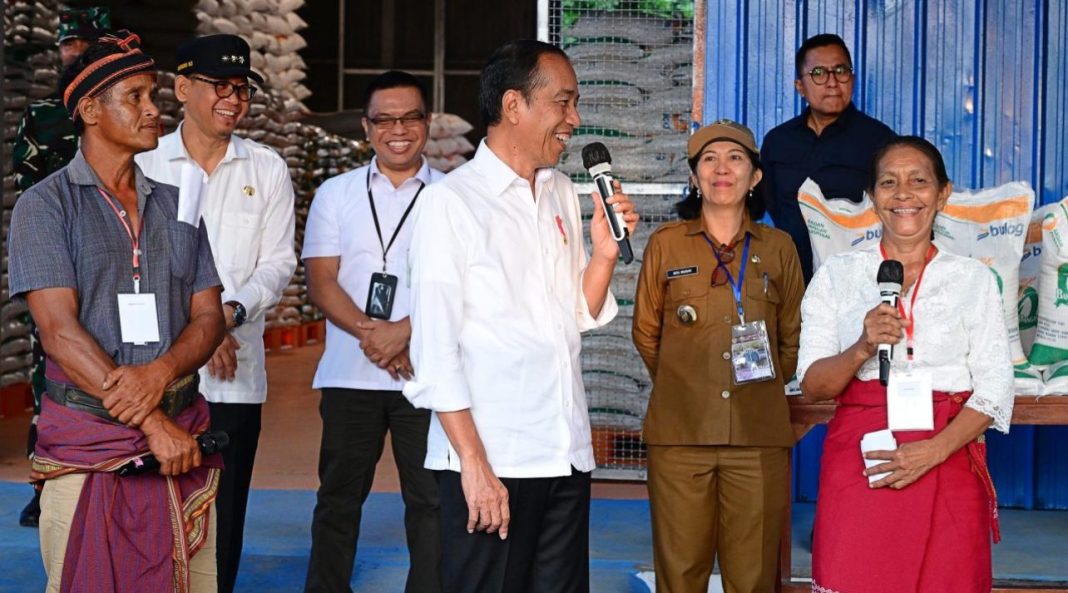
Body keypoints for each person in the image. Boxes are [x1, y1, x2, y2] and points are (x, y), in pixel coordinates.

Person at [403, 40, 638, 593]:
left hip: (562, 451)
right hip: (493, 459)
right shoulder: (451, 203)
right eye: (563, 103)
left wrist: (603, 254)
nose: (574, 120)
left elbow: (576, 312)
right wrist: (474, 466)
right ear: (514, 106)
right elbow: (434, 351)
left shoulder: (560, 190)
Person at [7, 31, 226, 592]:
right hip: (90, 443)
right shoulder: (45, 205)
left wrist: (157, 377)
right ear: (88, 110)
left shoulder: (180, 206)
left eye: (153, 95)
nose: (154, 110)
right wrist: (151, 422)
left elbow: (209, 318)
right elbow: (58, 331)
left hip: (182, 436)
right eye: (135, 96)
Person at [796, 136, 1013, 593]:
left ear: (942, 193)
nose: (904, 194)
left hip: (947, 458)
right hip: (864, 461)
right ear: (873, 198)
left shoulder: (971, 279)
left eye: (919, 181)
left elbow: (995, 387)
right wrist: (861, 346)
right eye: (889, 183)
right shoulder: (838, 274)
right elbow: (813, 384)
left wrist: (934, 450)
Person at [135, 33, 297, 593]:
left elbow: (278, 262)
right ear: (181, 88)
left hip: (233, 378)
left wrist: (224, 316)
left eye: (241, 90)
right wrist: (198, 330)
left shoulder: (267, 167)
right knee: (149, 509)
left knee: (223, 517)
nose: (233, 100)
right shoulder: (146, 161)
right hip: (153, 373)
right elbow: (136, 262)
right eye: (218, 87)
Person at [632, 120, 803, 593]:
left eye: (735, 159)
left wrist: (756, 387)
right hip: (680, 437)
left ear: (755, 177)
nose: (721, 169)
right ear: (694, 177)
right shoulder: (666, 244)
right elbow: (646, 333)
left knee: (752, 580)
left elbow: (792, 338)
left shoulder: (780, 248)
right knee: (680, 575)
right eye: (709, 159)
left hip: (758, 437)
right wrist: (686, 382)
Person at [301, 70, 443, 593]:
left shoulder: (452, 197)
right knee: (338, 499)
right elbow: (321, 281)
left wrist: (404, 331)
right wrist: (376, 337)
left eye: (409, 117)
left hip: (425, 377)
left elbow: (461, 289)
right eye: (385, 119)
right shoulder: (335, 194)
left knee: (429, 501)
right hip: (349, 378)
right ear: (367, 127)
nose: (397, 129)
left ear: (425, 123)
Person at [11, 5, 110, 529]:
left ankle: (104, 464)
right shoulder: (42, 117)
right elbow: (29, 190)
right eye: (67, 45)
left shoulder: (118, 109)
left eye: (82, 43)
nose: (71, 52)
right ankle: (42, 479)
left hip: (110, 262)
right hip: (57, 262)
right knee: (46, 367)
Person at [761, 33, 896, 282]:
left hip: (857, 280)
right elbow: (770, 205)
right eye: (819, 73)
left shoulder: (880, 141)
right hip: (791, 279)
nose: (833, 82)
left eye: (841, 70)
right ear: (800, 86)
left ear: (852, 79)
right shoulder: (778, 142)